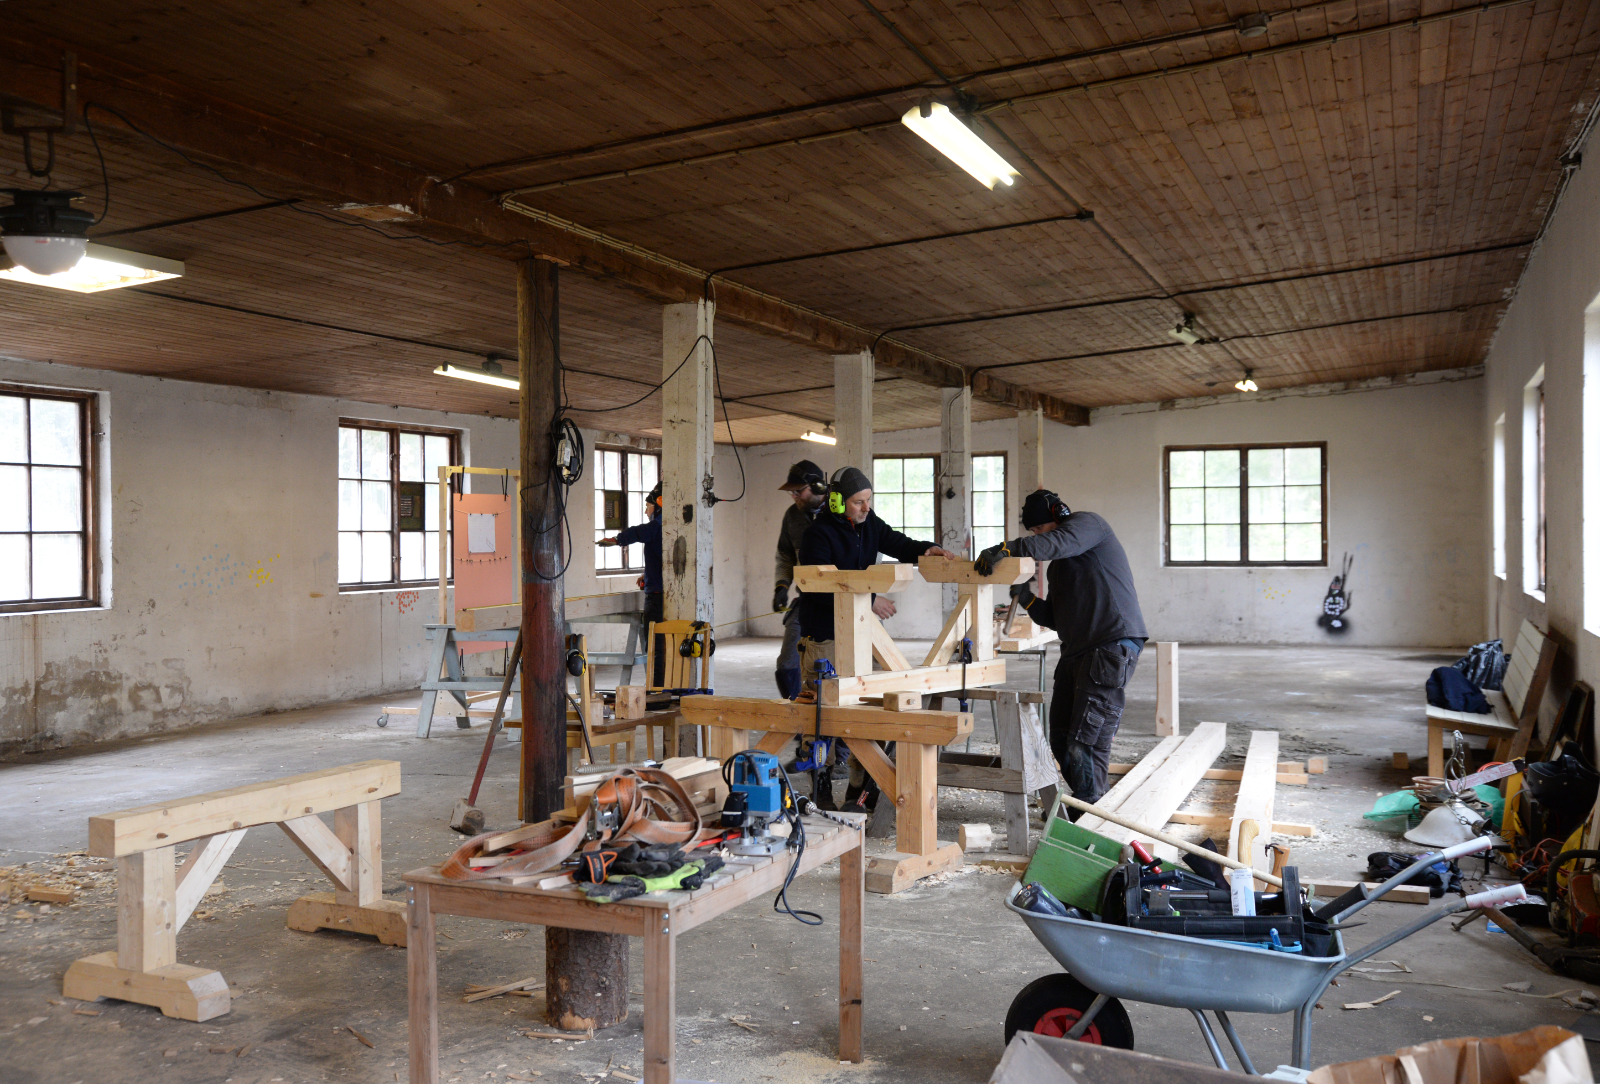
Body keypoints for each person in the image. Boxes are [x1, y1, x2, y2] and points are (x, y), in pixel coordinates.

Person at [974, 489, 1147, 812]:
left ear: (1059, 515)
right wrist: (1027, 599)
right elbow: (1054, 617)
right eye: (1033, 532)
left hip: (1110, 644)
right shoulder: (1059, 567)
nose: (1038, 536)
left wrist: (1007, 548)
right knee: (1061, 738)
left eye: (1040, 528)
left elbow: (1056, 543)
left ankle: (1091, 811)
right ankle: (1086, 801)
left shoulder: (1089, 526)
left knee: (1086, 739)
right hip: (1078, 650)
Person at [798, 465, 953, 807]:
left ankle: (859, 787)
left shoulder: (869, 525)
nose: (866, 507)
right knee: (822, 714)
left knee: (867, 707)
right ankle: (821, 788)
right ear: (837, 502)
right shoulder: (817, 535)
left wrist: (928, 549)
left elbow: (899, 543)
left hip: (859, 632)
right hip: (824, 636)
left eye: (869, 500)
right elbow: (817, 588)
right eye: (858, 502)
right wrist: (870, 600)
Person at [772, 459, 828, 699]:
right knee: (787, 664)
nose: (793, 496)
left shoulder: (840, 513)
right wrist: (782, 586)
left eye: (798, 491)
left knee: (830, 664)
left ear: (818, 487)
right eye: (791, 492)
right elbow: (785, 554)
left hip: (839, 602)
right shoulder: (792, 516)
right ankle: (796, 712)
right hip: (806, 600)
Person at [598, 482, 663, 683]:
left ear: (659, 503)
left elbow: (639, 532)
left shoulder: (659, 525)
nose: (646, 511)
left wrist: (617, 539)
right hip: (660, 589)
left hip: (656, 596)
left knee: (655, 643)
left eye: (648, 506)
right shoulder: (673, 526)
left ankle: (657, 687)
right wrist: (647, 574)